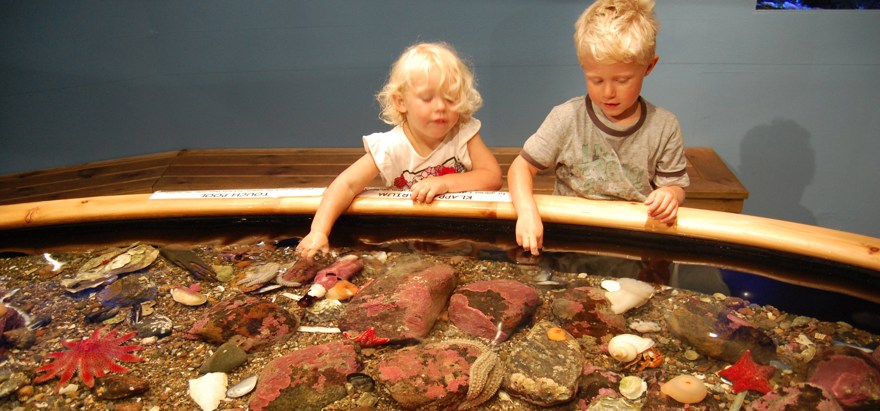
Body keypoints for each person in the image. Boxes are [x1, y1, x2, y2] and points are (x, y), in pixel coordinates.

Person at [508, 0, 690, 256]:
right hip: (569, 240)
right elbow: (521, 167)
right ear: (584, 68)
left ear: (649, 67)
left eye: (622, 80)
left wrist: (670, 195)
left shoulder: (664, 126)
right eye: (596, 80)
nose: (608, 92)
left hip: (632, 242)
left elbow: (675, 186)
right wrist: (526, 212)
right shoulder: (566, 117)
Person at [296, 42, 502, 261]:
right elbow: (346, 185)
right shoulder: (390, 146)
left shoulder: (462, 132)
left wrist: (445, 183)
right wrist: (318, 231)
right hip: (409, 234)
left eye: (451, 98)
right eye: (427, 98)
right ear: (401, 101)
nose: (441, 106)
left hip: (460, 230)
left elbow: (492, 176)